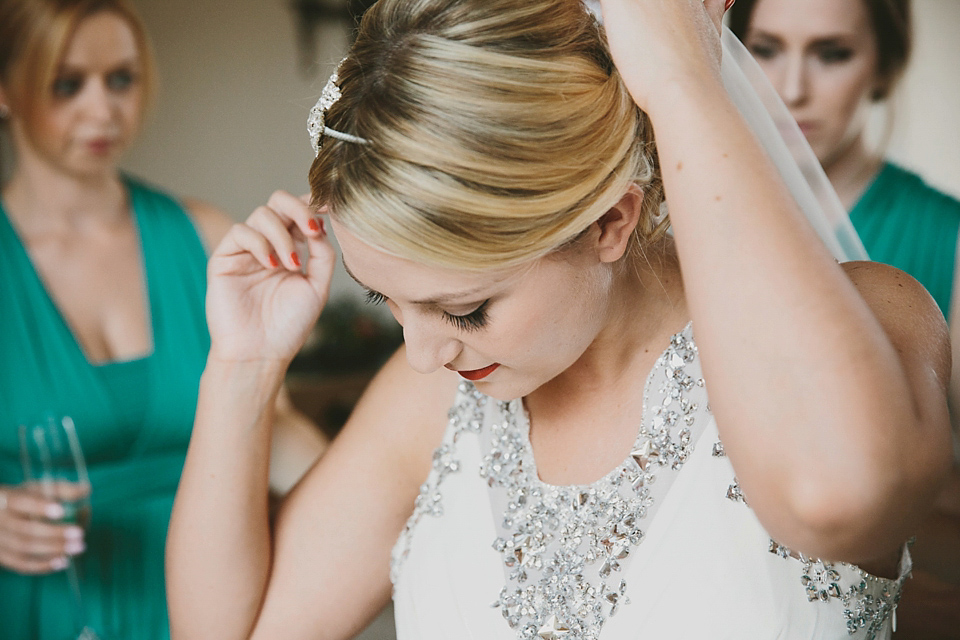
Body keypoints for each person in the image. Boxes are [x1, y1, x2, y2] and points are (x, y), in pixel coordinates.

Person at [166, 0, 953, 638]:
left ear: (611, 222)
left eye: (465, 309)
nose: (419, 353)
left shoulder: (876, 315)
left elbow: (835, 494)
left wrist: (681, 81)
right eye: (385, 300)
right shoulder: (437, 402)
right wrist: (242, 367)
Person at [0, 1, 326, 638]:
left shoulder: (204, 237)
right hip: (46, 606)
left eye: (121, 79)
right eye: (68, 85)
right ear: (6, 89)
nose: (103, 110)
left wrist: (393, 496)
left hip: (213, 597)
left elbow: (273, 420)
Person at [729, 1, 960, 636]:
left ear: (883, 66)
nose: (791, 88)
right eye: (765, 48)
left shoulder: (951, 240)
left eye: (832, 54)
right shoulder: (687, 227)